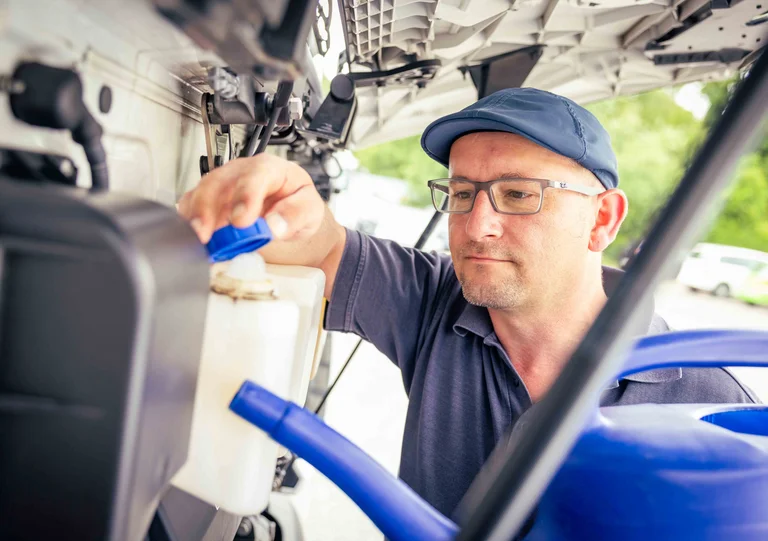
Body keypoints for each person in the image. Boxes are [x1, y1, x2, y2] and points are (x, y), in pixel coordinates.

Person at [178, 88, 757, 519]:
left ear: (601, 219)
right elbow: (320, 248)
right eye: (461, 194)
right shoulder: (435, 301)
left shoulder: (710, 404)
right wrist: (285, 198)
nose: (477, 227)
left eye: (517, 195)